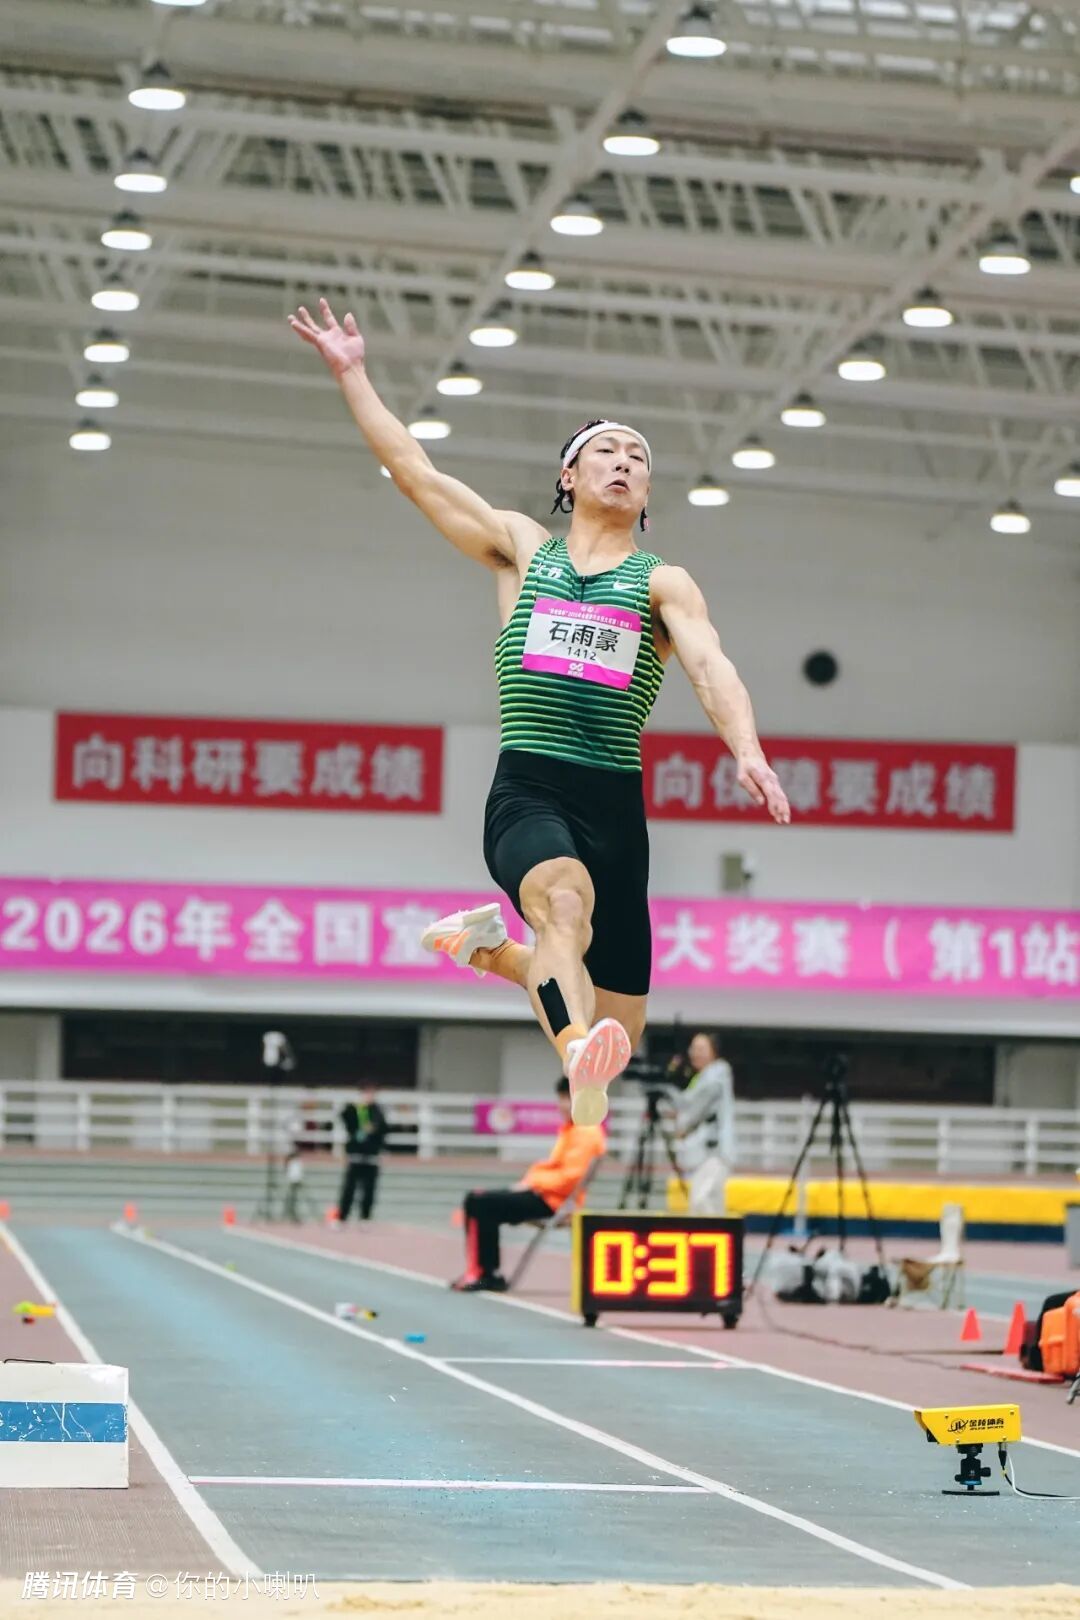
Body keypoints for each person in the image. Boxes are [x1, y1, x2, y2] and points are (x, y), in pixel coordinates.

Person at [288, 299, 791, 1129]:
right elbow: (415, 471)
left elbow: (710, 664)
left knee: (621, 1019)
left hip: (615, 803)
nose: (623, 463)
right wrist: (354, 375)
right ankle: (574, 1058)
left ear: (648, 493)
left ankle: (491, 952)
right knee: (563, 908)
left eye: (638, 457)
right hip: (531, 786)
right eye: (605, 452)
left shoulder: (664, 583)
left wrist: (747, 749)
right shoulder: (524, 550)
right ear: (569, 477)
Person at [451, 1077, 605, 1292]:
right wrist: (529, 1183)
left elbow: (570, 1179)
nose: (562, 1105)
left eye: (568, 1099)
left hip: (553, 1202)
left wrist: (533, 1184)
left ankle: (484, 1274)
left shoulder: (586, 1132)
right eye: (561, 1098)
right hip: (545, 1194)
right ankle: (486, 1272)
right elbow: (553, 1170)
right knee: (479, 1199)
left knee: (479, 1201)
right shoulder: (572, 1129)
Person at [672, 1032, 737, 1216]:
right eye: (693, 1048)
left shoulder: (718, 1074)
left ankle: (709, 1234)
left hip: (716, 1151)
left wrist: (682, 1124)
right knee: (710, 1202)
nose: (695, 1053)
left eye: (701, 1049)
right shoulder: (701, 1077)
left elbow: (696, 1105)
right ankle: (715, 1234)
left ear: (713, 1052)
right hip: (704, 1153)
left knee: (702, 1200)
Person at [336, 1083, 388, 1222]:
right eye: (367, 1093)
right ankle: (342, 1216)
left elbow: (383, 1130)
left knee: (369, 1189)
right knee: (349, 1188)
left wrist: (381, 1150)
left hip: (371, 1156)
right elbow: (345, 1119)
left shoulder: (377, 1111)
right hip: (355, 1155)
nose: (369, 1096)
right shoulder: (355, 1109)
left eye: (372, 1093)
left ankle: (365, 1217)